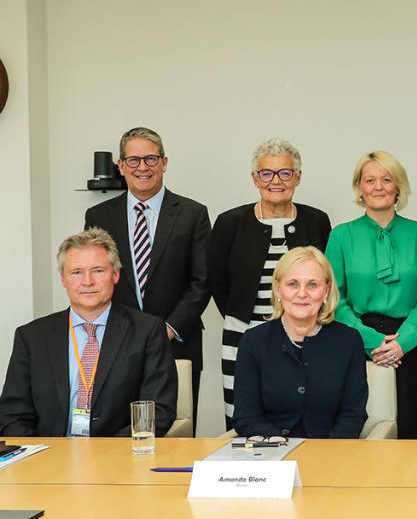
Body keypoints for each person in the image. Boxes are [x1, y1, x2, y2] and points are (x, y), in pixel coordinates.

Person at [84, 127, 210, 429]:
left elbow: (202, 281)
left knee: (175, 432)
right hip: (115, 342)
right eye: (134, 160)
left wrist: (165, 330)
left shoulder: (193, 214)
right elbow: (96, 279)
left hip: (177, 342)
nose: (143, 167)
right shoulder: (98, 216)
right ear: (121, 165)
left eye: (151, 159)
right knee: (118, 432)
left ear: (164, 163)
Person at [0, 228, 177, 437]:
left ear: (116, 274)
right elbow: (12, 416)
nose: (87, 282)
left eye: (98, 271)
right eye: (77, 272)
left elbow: (157, 413)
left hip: (117, 459)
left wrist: (103, 455)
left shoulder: (147, 332)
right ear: (63, 279)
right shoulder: (31, 337)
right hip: (49, 458)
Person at [209, 137, 331, 429]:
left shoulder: (317, 221)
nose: (276, 181)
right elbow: (217, 282)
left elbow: (324, 278)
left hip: (305, 336)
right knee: (245, 418)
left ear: (297, 178)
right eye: (267, 173)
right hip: (242, 334)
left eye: (285, 173)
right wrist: (248, 321)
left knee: (300, 412)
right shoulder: (229, 223)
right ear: (255, 178)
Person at [325, 151, 417, 439]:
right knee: (362, 427)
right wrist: (371, 341)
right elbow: (333, 298)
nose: (378, 187)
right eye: (370, 180)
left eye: (387, 180)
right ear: (359, 188)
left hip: (407, 344)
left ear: (398, 187)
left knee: (407, 428)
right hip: (355, 341)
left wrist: (403, 342)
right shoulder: (340, 236)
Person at [232, 246, 368, 439]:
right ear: (278, 289)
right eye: (293, 284)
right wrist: (285, 447)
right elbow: (246, 417)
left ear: (326, 291)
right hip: (272, 457)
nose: (302, 293)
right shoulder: (253, 341)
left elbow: (353, 415)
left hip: (331, 456)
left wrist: (324, 453)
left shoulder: (349, 341)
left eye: (312, 285)